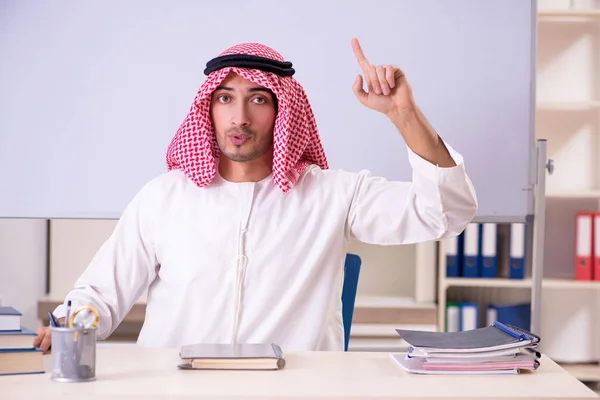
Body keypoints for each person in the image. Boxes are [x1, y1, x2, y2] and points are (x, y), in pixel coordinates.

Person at [34, 38, 477, 352]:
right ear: (208, 107)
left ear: (283, 110)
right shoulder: (164, 198)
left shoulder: (332, 194)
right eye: (225, 98)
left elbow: (444, 213)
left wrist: (404, 114)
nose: (239, 117)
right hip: (173, 389)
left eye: (258, 100)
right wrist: (70, 324)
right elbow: (100, 294)